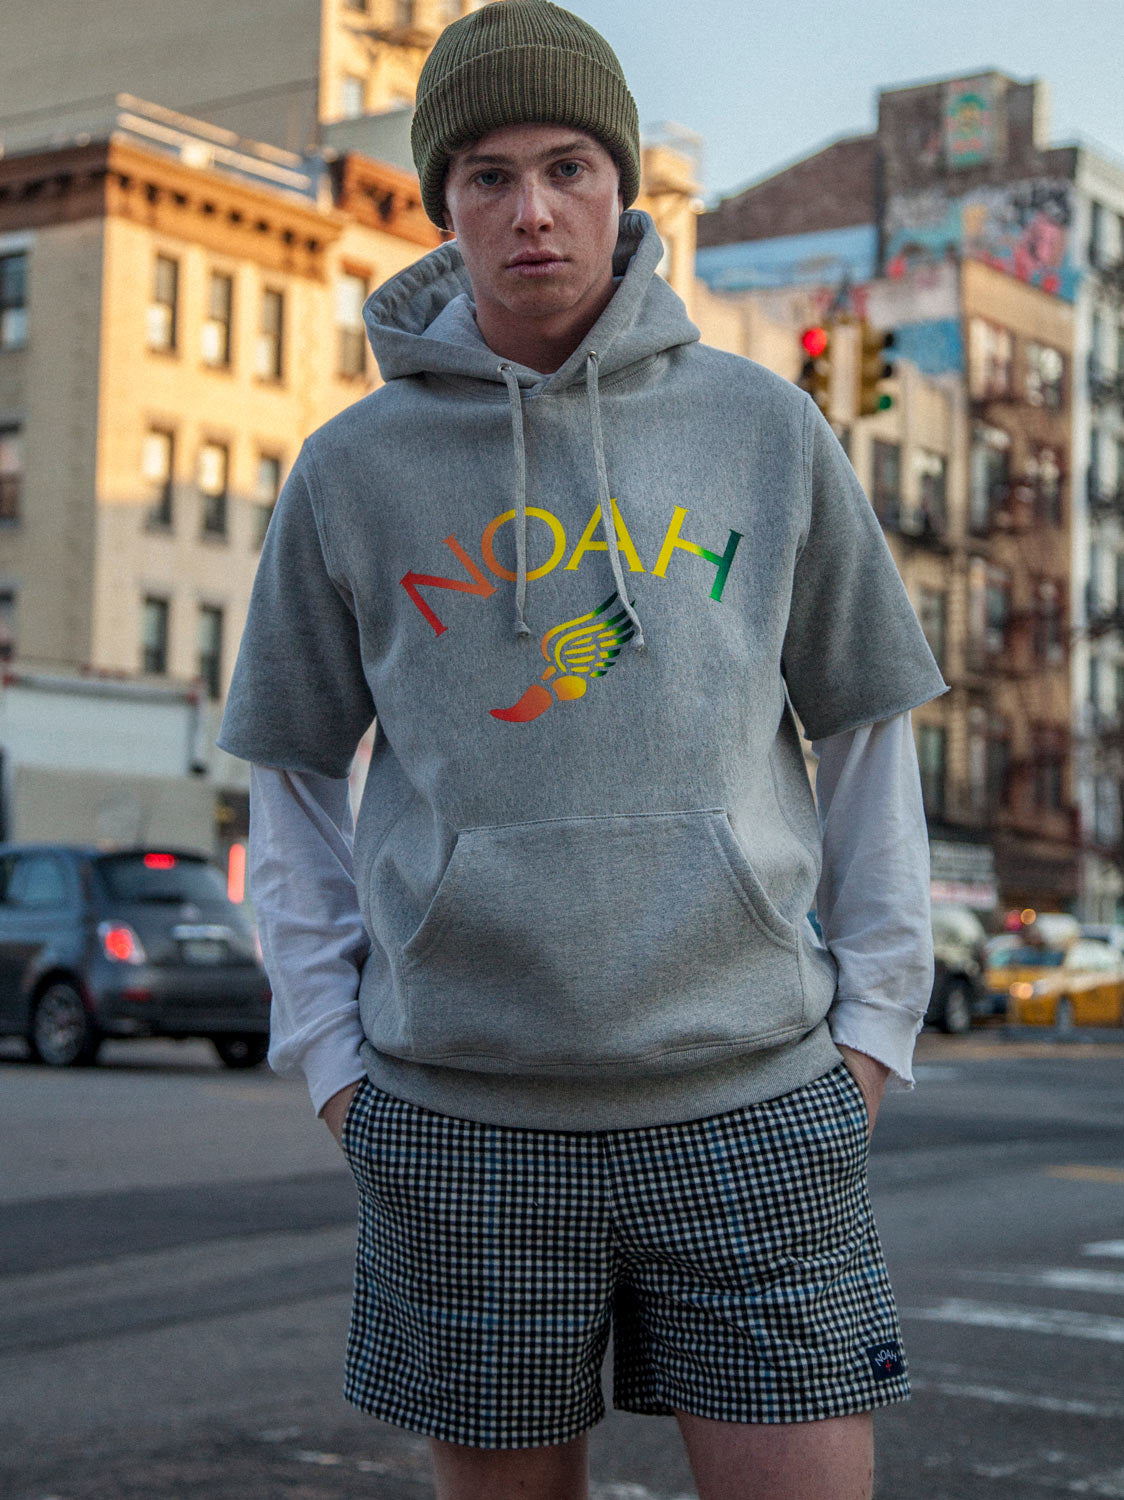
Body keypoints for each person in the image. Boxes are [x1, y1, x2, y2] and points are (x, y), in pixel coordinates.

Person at [219, 3, 948, 1496]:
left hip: (749, 1100)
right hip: (459, 1117)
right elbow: (288, 773)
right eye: (486, 175)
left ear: (625, 194)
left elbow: (868, 726)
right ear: (445, 205)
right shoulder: (353, 469)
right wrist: (333, 1065)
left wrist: (874, 1030)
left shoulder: (765, 428)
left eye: (567, 167)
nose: (531, 210)